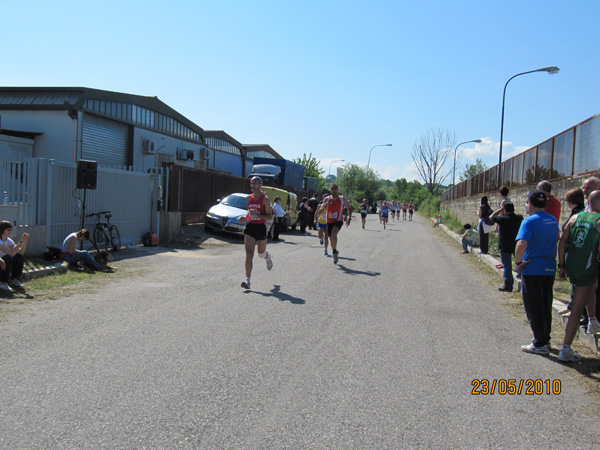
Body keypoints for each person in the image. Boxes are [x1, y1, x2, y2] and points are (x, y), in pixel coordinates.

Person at [557, 190, 600, 362]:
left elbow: (562, 241)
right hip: (586, 266)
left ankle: (592, 320)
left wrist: (562, 265)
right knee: (576, 310)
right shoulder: (598, 221)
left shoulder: (576, 217)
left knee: (592, 286)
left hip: (573, 264)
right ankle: (565, 349)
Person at [515, 190, 559, 356]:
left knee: (534, 306)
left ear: (530, 203)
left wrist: (518, 263)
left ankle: (539, 342)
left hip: (533, 268)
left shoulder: (529, 221)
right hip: (549, 268)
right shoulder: (553, 220)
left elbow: (521, 244)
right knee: (545, 304)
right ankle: (545, 338)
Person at [238, 176, 273, 289]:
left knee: (261, 254)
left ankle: (267, 257)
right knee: (249, 254)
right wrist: (245, 217)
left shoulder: (265, 199)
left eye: (255, 184)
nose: (252, 186)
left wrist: (257, 215)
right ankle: (247, 280)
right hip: (250, 227)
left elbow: (269, 216)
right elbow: (250, 210)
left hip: (261, 227)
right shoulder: (248, 198)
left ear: (260, 185)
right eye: (251, 183)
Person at [558, 188, 586, 315]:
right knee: (574, 282)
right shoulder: (577, 211)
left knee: (577, 282)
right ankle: (572, 305)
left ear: (569, 201)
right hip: (572, 251)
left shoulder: (579, 213)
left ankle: (575, 308)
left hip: (575, 251)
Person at [490, 202, 523, 292]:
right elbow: (518, 215)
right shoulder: (519, 218)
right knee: (520, 264)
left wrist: (499, 210)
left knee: (507, 266)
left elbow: (491, 217)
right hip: (516, 245)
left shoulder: (502, 219)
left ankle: (508, 285)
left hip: (505, 245)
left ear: (504, 210)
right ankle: (524, 284)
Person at [315, 184, 352, 264]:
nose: (334, 190)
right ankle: (335, 250)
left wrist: (349, 217)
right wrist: (323, 207)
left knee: (334, 233)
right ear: (330, 190)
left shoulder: (342, 199)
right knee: (331, 238)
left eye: (335, 189)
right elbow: (319, 212)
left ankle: (334, 253)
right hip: (329, 221)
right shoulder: (327, 199)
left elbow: (349, 208)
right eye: (332, 189)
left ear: (337, 190)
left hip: (338, 220)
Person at [0, 221, 30, 292]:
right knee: (8, 258)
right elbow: (10, 253)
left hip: (5, 262)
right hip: (1, 263)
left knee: (19, 257)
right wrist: (20, 241)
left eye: (11, 230)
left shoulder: (9, 240)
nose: (10, 232)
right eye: (8, 230)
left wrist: (24, 242)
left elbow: (20, 252)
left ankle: (14, 279)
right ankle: (2, 282)